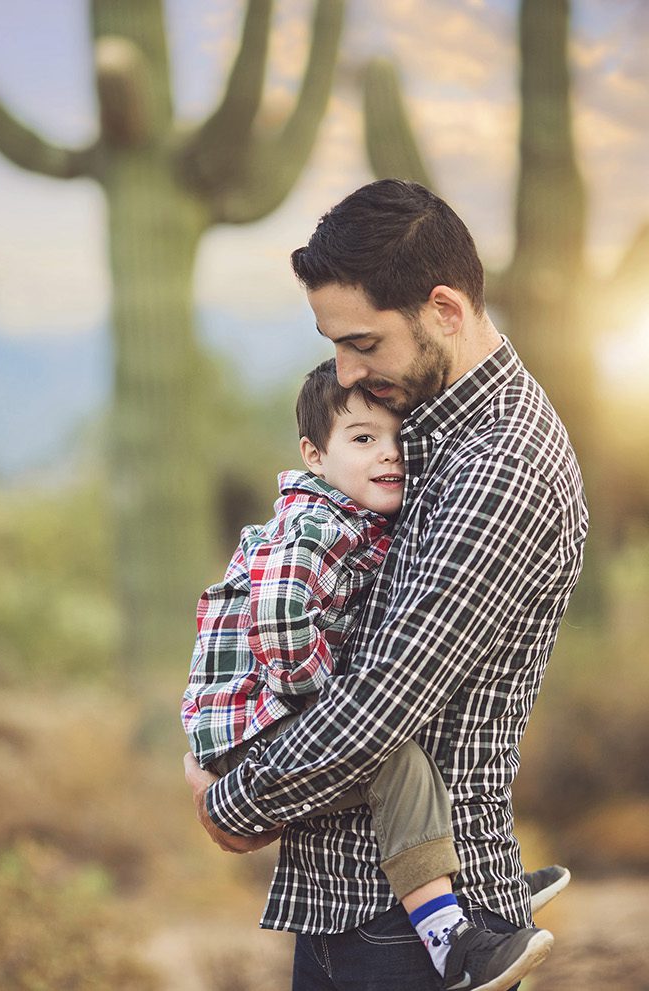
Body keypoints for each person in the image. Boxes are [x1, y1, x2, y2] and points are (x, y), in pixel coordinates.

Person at [184, 179, 588, 991]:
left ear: (443, 310)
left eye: (364, 342)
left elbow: (385, 698)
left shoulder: (498, 465)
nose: (347, 369)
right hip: (352, 907)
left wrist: (235, 803)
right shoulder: (429, 426)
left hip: (416, 932)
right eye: (335, 345)